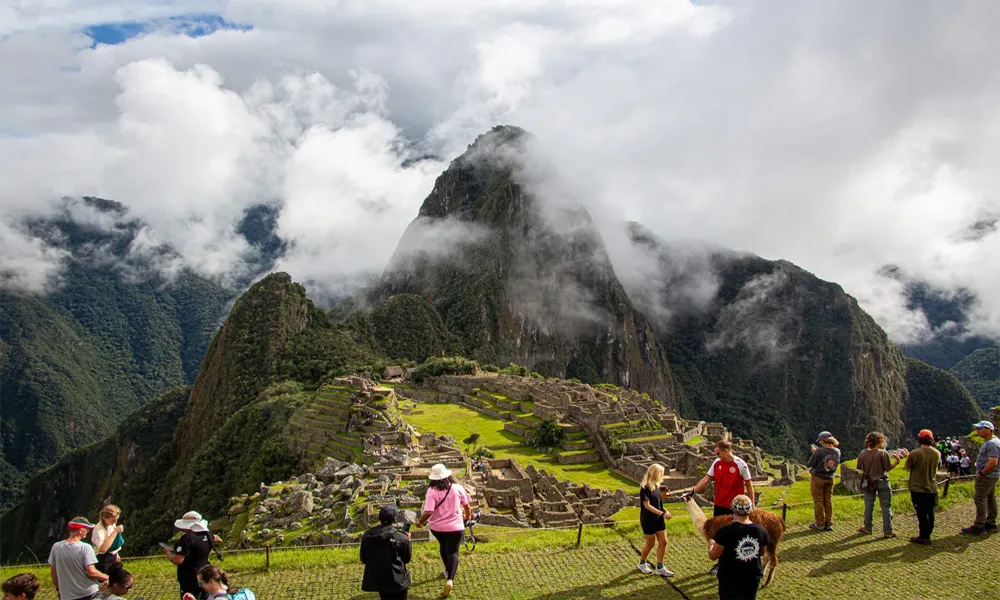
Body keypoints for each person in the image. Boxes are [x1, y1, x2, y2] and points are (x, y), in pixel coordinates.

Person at [688, 439, 754, 574]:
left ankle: (738, 562)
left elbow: (749, 485)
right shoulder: (716, 463)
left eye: (718, 453)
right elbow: (706, 479)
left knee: (737, 534)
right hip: (719, 504)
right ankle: (720, 563)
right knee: (718, 535)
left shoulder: (741, 465)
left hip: (735, 507)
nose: (716, 455)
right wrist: (693, 492)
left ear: (726, 451)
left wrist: (751, 505)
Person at [415, 463, 471, 599]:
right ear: (447, 476)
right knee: (453, 551)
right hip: (456, 527)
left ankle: (447, 570)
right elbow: (467, 506)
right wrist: (467, 517)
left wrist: (420, 522)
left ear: (432, 479)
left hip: (438, 528)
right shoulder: (457, 488)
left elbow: (428, 511)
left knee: (443, 546)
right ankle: (450, 579)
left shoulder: (431, 491)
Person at [708, 495, 769, 600]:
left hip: (730, 578)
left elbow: (713, 556)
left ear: (733, 510)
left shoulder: (724, 531)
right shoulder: (761, 530)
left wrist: (711, 545)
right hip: (752, 577)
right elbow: (761, 553)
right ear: (750, 510)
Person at [49, 517, 109, 600]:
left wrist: (59, 589)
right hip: (88, 593)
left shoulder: (56, 547)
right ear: (81, 530)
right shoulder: (85, 547)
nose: (88, 532)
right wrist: (107, 577)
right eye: (87, 529)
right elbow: (91, 572)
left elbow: (54, 572)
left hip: (67, 596)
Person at [164, 511, 221, 599]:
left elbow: (178, 560)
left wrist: (168, 552)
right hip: (205, 575)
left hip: (189, 579)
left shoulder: (187, 539)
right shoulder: (207, 534)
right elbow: (217, 538)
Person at [856, 431, 903, 538]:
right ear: (879, 441)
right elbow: (887, 468)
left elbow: (859, 467)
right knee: (886, 506)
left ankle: (867, 527)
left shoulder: (862, 454)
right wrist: (897, 462)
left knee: (868, 505)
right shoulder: (882, 453)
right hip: (882, 481)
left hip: (868, 482)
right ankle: (888, 531)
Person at [360, 505, 412, 600]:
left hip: (379, 580)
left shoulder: (368, 535)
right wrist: (407, 541)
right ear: (394, 519)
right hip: (398, 580)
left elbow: (363, 559)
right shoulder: (401, 537)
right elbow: (406, 559)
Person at [962, 420, 1000, 535]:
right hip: (991, 476)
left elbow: (993, 462)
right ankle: (991, 522)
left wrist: (982, 473)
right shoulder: (994, 441)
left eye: (980, 428)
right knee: (990, 498)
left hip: (987, 476)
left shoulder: (992, 443)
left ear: (988, 429)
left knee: (980, 498)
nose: (977, 430)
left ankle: (979, 525)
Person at [636, 464, 674, 577]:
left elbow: (658, 503)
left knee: (664, 542)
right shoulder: (645, 488)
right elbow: (647, 506)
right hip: (648, 519)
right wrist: (662, 513)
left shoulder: (657, 486)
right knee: (650, 543)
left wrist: (665, 511)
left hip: (658, 518)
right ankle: (642, 563)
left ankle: (660, 567)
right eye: (661, 473)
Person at [904, 429, 941, 545]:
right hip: (932, 487)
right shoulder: (937, 453)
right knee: (930, 511)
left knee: (921, 513)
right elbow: (938, 467)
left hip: (918, 488)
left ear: (919, 439)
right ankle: (928, 533)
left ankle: (924, 537)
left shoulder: (915, 453)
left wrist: (907, 456)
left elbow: (906, 467)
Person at [806, 431, 841, 531]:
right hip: (830, 478)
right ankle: (829, 523)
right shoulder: (837, 451)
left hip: (818, 478)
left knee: (818, 500)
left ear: (822, 441)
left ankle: (820, 523)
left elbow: (811, 463)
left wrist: (814, 453)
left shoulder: (819, 451)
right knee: (828, 501)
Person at [92, 505, 125, 575]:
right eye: (113, 519)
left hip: (112, 556)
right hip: (102, 559)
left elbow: (113, 542)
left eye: (117, 519)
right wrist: (115, 532)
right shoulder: (98, 530)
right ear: (104, 518)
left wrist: (116, 553)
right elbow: (102, 549)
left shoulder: (111, 524)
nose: (115, 521)